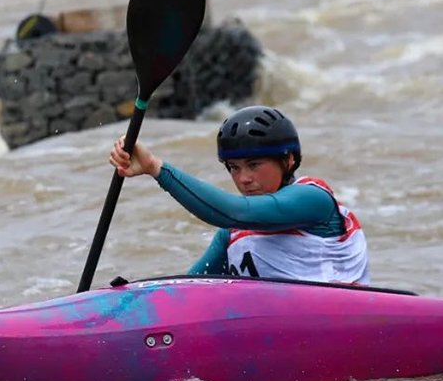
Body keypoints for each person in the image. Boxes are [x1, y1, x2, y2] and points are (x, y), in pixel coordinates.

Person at [108, 106, 370, 284]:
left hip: (343, 330)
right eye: (234, 168)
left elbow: (234, 211)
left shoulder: (313, 200)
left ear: (288, 160)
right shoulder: (232, 236)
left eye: (254, 165)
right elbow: (190, 289)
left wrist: (156, 168)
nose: (243, 178)